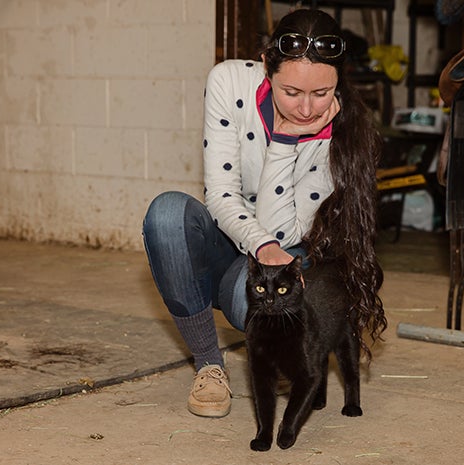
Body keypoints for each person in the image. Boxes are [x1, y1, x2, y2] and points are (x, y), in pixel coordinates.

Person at [142, 8, 386, 418]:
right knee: (166, 214)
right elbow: (221, 194)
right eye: (291, 92)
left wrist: (286, 141)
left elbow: (283, 231)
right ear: (266, 68)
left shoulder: (339, 136)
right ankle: (208, 366)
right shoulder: (228, 81)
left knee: (259, 304)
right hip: (234, 238)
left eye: (321, 93)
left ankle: (291, 351)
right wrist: (259, 244)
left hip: (283, 251)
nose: (307, 109)